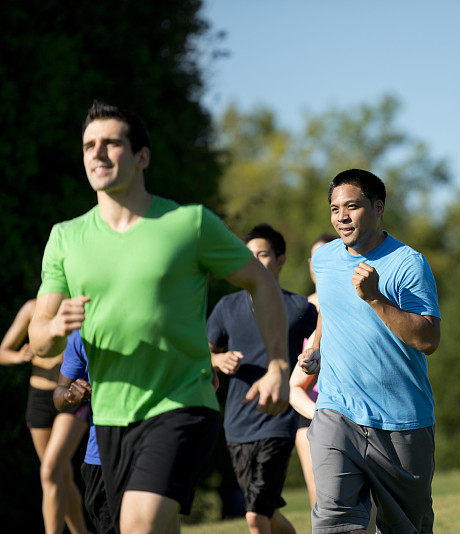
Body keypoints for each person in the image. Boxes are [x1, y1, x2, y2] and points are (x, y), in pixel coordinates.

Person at [29, 100, 290, 534]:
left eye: (111, 143)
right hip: (109, 418)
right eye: (89, 145)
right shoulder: (66, 239)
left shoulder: (188, 224)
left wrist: (279, 363)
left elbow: (261, 282)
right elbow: (38, 338)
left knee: (139, 525)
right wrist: (56, 328)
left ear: (141, 157)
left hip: (181, 403)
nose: (97, 152)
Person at [298, 168, 441, 534]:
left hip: (400, 422)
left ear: (378, 209)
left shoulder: (408, 262)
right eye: (334, 209)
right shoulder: (324, 260)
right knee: (333, 519)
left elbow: (428, 340)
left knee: (406, 527)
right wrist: (316, 349)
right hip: (336, 411)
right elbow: (328, 314)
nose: (341, 217)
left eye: (352, 207)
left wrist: (376, 298)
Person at [207, 223, 318, 534]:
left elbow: (324, 347)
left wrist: (309, 361)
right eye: (249, 256)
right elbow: (204, 352)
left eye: (263, 255)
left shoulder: (299, 308)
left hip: (280, 420)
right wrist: (217, 359)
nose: (255, 261)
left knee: (255, 516)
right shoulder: (227, 307)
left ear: (280, 260)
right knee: (265, 514)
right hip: (238, 424)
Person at [1, 299, 89, 534]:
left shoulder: (79, 307)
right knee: (58, 474)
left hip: (71, 397)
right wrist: (20, 356)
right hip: (38, 397)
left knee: (51, 469)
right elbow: (3, 352)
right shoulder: (32, 308)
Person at [290, 232, 335, 508]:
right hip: (309, 412)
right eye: (315, 259)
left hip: (348, 411)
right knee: (319, 499)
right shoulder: (300, 310)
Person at [53, 330, 115, 534]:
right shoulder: (81, 334)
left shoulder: (154, 319)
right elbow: (59, 393)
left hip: (149, 448)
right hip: (100, 458)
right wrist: (70, 395)